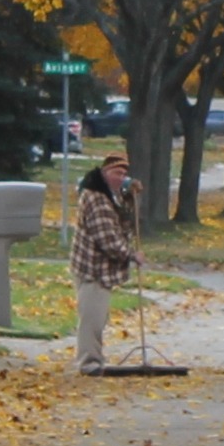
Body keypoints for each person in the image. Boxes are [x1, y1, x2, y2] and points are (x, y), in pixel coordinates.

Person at [68, 157, 138, 372]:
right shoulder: (96, 198)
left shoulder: (111, 197)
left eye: (124, 175)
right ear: (105, 173)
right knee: (92, 319)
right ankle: (88, 363)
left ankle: (93, 359)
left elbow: (124, 225)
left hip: (101, 270)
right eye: (117, 174)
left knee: (98, 317)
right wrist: (132, 255)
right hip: (92, 269)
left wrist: (129, 197)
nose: (121, 178)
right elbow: (108, 238)